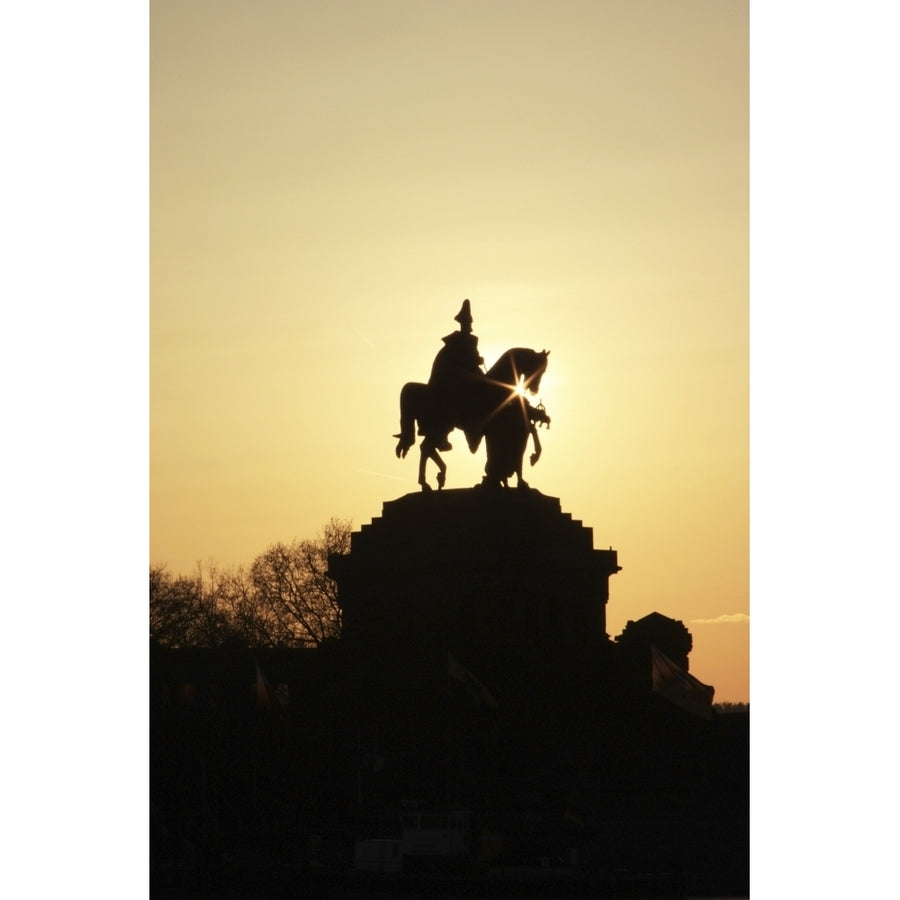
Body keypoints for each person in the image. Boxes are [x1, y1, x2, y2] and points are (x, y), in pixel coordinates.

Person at [427, 300, 485, 451]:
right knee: (457, 397)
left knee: (483, 383)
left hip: (466, 373)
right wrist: (475, 361)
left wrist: (478, 362)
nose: (467, 325)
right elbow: (459, 360)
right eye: (465, 322)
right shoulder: (454, 341)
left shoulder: (472, 341)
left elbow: (473, 358)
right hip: (453, 375)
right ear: (461, 323)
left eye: (468, 322)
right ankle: (447, 430)